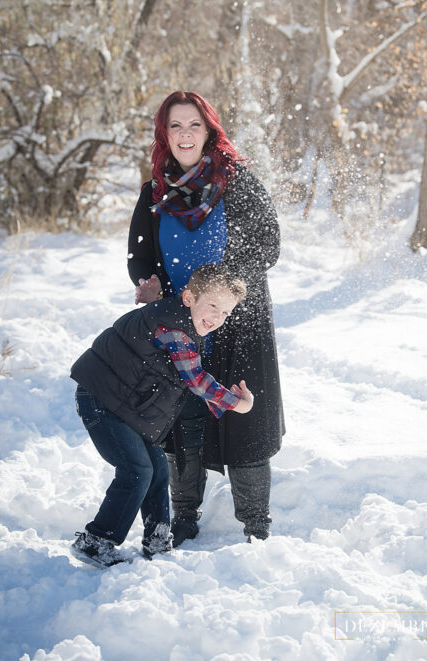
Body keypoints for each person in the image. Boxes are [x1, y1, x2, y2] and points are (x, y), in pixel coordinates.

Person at [128, 90, 284, 545]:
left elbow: (267, 243)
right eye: (175, 126)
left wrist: (221, 291)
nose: (185, 134)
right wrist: (149, 283)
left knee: (244, 414)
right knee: (181, 420)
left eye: (193, 125)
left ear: (209, 129)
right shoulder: (155, 192)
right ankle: (184, 519)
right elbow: (140, 255)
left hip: (239, 321)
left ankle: (256, 526)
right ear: (164, 134)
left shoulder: (236, 182)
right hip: (179, 322)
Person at [69, 264, 254, 567]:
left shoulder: (176, 317)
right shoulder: (178, 329)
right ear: (189, 298)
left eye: (226, 313)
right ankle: (96, 541)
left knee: (157, 470)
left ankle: (157, 538)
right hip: (102, 401)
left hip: (126, 405)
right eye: (213, 306)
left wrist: (153, 300)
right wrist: (238, 403)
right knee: (137, 471)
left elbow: (157, 325)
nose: (217, 318)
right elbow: (196, 379)